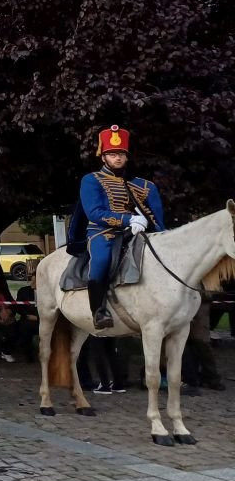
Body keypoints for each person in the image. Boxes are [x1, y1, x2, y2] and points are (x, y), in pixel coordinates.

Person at [76, 125, 165, 329]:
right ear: (103, 157)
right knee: (102, 259)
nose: (117, 158)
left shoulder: (146, 186)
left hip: (141, 232)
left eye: (121, 154)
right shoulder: (91, 180)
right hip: (103, 232)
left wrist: (159, 233)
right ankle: (98, 311)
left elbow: (158, 218)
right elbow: (94, 212)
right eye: (112, 154)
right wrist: (128, 220)